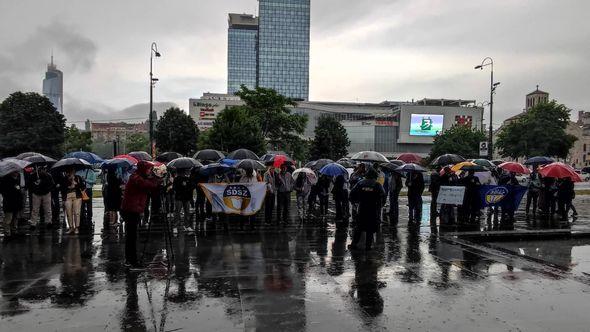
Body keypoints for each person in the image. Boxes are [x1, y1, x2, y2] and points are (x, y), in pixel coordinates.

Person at [121, 161, 160, 269]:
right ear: (143, 169)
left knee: (132, 237)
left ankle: (131, 260)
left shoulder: (139, 177)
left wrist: (154, 178)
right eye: (148, 169)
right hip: (130, 210)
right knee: (131, 237)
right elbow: (148, 185)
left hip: (134, 209)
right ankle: (131, 261)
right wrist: (156, 177)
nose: (149, 171)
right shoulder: (136, 178)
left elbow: (151, 187)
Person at [349, 169, 385, 251]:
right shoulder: (377, 184)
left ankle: (354, 244)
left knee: (359, 228)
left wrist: (355, 203)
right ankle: (368, 246)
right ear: (375, 176)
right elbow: (383, 195)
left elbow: (352, 194)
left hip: (362, 208)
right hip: (373, 209)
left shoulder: (360, 183)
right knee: (370, 229)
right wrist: (380, 205)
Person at [29, 167, 55, 231]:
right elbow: (30, 184)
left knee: (48, 209)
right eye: (40, 170)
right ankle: (33, 223)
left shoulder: (48, 176)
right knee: (35, 209)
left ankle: (49, 222)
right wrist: (35, 186)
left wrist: (46, 187)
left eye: (43, 169)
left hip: (46, 193)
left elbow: (52, 184)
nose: (42, 171)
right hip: (36, 194)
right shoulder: (33, 176)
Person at [62, 168, 86, 235]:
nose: (72, 173)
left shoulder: (78, 178)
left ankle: (77, 228)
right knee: (69, 213)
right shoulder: (64, 179)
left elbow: (83, 187)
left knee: (77, 212)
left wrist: (76, 184)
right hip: (67, 196)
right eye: (71, 172)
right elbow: (62, 188)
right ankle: (71, 227)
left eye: (73, 171)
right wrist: (69, 185)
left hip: (77, 196)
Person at [1, 171, 23, 237]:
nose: (17, 173)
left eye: (17, 172)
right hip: (9, 202)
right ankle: (7, 232)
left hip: (16, 202)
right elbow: (3, 191)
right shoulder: (5, 179)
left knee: (15, 217)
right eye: (15, 172)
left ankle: (14, 230)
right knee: (8, 218)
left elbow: (18, 189)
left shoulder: (16, 179)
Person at [173, 169, 194, 234]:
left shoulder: (188, 179)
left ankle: (187, 226)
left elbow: (191, 187)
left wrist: (186, 186)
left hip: (186, 198)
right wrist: (182, 185)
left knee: (187, 212)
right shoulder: (176, 179)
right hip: (179, 198)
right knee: (177, 212)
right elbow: (174, 188)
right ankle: (175, 226)